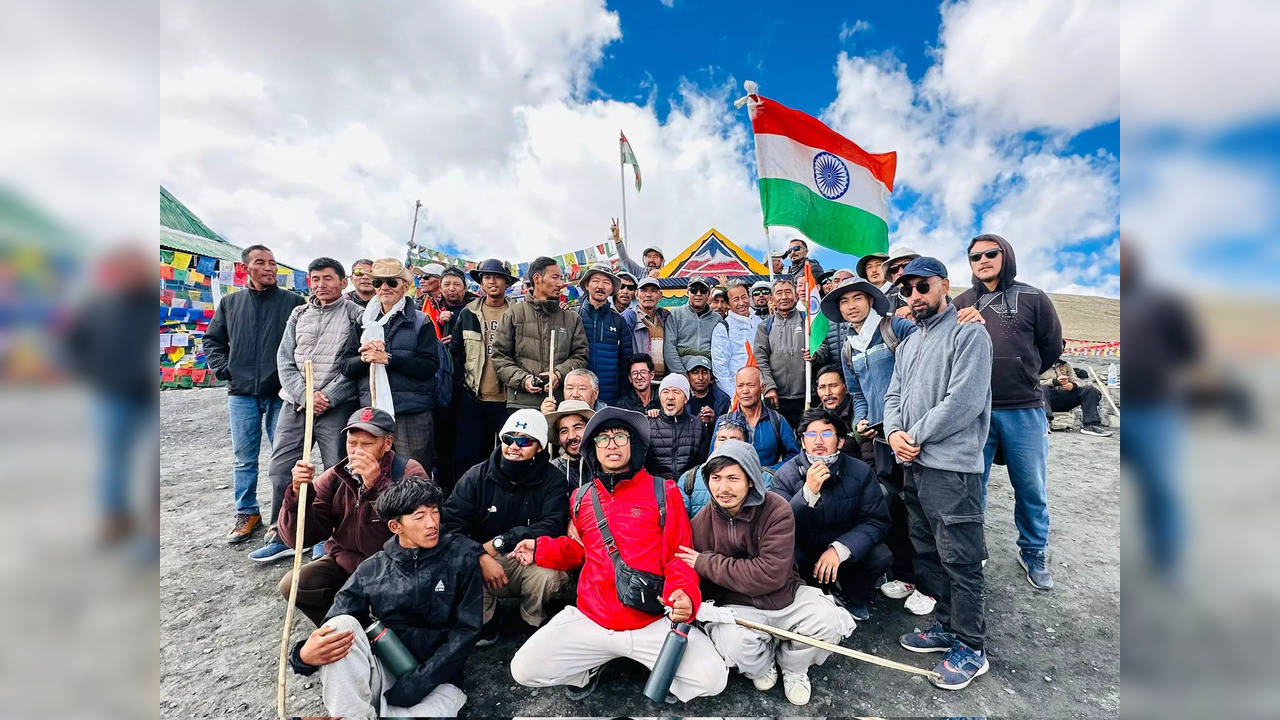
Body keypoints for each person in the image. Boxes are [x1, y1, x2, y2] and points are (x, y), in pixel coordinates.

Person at [508, 408, 728, 702]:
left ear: (634, 445)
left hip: (650, 618)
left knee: (713, 678)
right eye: (602, 438)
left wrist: (685, 594)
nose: (611, 444)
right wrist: (540, 549)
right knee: (523, 669)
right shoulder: (581, 497)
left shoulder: (666, 491)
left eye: (620, 436)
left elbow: (680, 556)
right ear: (592, 449)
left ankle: (657, 667)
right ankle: (588, 667)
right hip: (592, 618)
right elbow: (578, 552)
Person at [883, 256, 993, 691]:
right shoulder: (909, 343)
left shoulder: (970, 333)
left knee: (962, 559)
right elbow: (894, 394)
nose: (914, 297)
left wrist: (913, 434)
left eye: (922, 287)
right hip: (915, 466)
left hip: (952, 469)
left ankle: (972, 645)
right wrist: (893, 433)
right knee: (929, 552)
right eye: (907, 291)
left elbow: (963, 401)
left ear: (944, 285)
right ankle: (947, 626)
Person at [288, 476, 480, 718]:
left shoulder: (461, 557)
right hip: (385, 670)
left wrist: (418, 682)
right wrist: (303, 655)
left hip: (438, 678)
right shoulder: (373, 568)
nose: (432, 523)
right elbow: (336, 620)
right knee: (340, 627)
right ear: (395, 527)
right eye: (419, 517)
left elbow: (467, 630)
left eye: (435, 512)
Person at [681, 439, 854, 706]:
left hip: (786, 597)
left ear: (750, 479)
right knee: (732, 642)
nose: (723, 488)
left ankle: (794, 666)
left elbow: (769, 574)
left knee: (827, 621)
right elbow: (684, 568)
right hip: (739, 606)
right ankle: (762, 666)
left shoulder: (776, 509)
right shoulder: (701, 522)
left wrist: (707, 562)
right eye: (715, 478)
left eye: (733, 478)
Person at [954, 234, 1063, 591]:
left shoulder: (1034, 297)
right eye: (974, 256)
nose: (982, 260)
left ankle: (1033, 550)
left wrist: (1022, 371)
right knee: (974, 486)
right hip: (975, 410)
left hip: (1024, 407)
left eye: (990, 253)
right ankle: (975, 551)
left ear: (1006, 255)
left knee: (1031, 486)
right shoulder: (962, 302)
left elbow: (1049, 347)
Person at [820, 277, 930, 615]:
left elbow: (927, 365)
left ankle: (931, 585)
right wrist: (859, 422)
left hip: (912, 433)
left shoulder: (896, 327)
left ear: (870, 300)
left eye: (857, 298)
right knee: (893, 507)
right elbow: (857, 394)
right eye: (843, 302)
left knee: (921, 508)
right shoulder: (848, 347)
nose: (851, 305)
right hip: (881, 439)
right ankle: (907, 575)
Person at [253, 257, 364, 563]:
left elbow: (355, 366)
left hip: (334, 405)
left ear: (343, 282)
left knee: (336, 471)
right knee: (281, 469)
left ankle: (328, 536)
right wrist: (305, 394)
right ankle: (283, 533)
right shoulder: (298, 313)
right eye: (315, 279)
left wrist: (327, 396)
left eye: (328, 278)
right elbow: (284, 359)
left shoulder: (357, 314)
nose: (320, 285)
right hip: (296, 403)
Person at [276, 407, 426, 625]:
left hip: (394, 566)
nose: (357, 452)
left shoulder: (408, 471)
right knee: (295, 583)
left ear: (387, 443)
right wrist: (298, 495)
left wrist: (378, 485)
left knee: (403, 612)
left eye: (367, 444)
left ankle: (385, 636)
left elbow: (420, 530)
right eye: (352, 443)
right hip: (346, 563)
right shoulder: (335, 476)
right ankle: (347, 628)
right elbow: (297, 539)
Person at [204, 244, 305, 543]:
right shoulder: (230, 303)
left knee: (284, 458)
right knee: (244, 459)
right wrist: (225, 368)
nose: (270, 268)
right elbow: (212, 340)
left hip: (281, 393)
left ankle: (283, 517)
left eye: (273, 262)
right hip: (242, 393)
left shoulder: (293, 302)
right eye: (261, 262)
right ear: (245, 268)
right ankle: (247, 512)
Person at [444, 410, 569, 645]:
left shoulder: (553, 478)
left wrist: (507, 539)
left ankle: (531, 620)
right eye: (508, 439)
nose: (514, 446)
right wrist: (480, 555)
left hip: (529, 556)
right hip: (485, 555)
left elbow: (554, 523)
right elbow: (451, 524)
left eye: (524, 441)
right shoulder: (475, 476)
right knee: (460, 566)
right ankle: (489, 619)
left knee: (548, 575)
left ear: (540, 447)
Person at [66, 247, 157, 546]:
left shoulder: (152, 306)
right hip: (112, 394)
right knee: (113, 458)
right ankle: (114, 518)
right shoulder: (97, 306)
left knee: (151, 462)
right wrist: (93, 374)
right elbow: (73, 344)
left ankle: (151, 526)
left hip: (148, 396)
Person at [770, 409, 891, 621]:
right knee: (789, 556)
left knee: (880, 555)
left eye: (826, 434)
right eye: (810, 435)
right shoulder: (785, 475)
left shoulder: (860, 471)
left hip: (845, 548)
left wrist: (841, 549)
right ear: (802, 442)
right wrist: (807, 493)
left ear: (841, 441)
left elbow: (875, 520)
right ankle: (813, 595)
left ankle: (853, 596)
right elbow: (777, 528)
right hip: (806, 550)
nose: (818, 441)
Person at [339, 258, 440, 473]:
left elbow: (429, 367)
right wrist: (364, 359)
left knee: (413, 476)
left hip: (410, 412)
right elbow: (346, 366)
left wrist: (388, 358)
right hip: (372, 412)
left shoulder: (421, 321)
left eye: (391, 282)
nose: (384, 288)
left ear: (405, 286)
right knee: (371, 473)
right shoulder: (364, 322)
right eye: (378, 283)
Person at [492, 256, 588, 411]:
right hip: (521, 403)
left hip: (559, 403)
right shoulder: (513, 314)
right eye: (555, 277)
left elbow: (581, 355)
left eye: (561, 278)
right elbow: (499, 357)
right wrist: (524, 380)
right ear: (537, 279)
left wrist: (558, 374)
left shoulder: (571, 318)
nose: (560, 283)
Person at [451, 259, 515, 482]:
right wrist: (461, 388)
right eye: (487, 277)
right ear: (481, 283)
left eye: (497, 277)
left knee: (509, 457)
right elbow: (456, 354)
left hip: (509, 399)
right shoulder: (468, 313)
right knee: (468, 457)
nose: (492, 281)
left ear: (507, 283)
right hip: (474, 397)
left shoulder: (518, 313)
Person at [677, 415, 773, 517]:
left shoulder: (765, 479)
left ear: (746, 444)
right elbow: (679, 521)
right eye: (722, 439)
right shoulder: (689, 478)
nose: (727, 444)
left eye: (733, 439)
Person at [754, 277, 807, 429]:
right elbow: (760, 358)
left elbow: (822, 347)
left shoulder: (807, 321)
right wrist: (769, 386)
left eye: (788, 292)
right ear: (772, 298)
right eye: (779, 293)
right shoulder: (765, 326)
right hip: (777, 397)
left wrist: (815, 355)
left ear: (796, 296)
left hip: (806, 395)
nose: (784, 297)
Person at [725, 366, 800, 471]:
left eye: (750, 385)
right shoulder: (725, 421)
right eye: (740, 386)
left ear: (762, 387)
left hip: (767, 483)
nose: (745, 391)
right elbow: (713, 457)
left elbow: (794, 456)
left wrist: (769, 471)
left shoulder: (777, 421)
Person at [577, 265, 631, 406]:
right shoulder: (574, 316)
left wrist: (624, 395)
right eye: (595, 281)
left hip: (610, 395)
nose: (600, 286)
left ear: (612, 289)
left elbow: (626, 361)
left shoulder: (619, 320)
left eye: (606, 283)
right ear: (587, 285)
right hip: (579, 394)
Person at [644, 374, 711, 481]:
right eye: (665, 392)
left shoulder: (698, 425)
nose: (670, 396)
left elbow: (703, 464)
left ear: (686, 398)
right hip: (656, 490)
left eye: (676, 392)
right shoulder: (648, 424)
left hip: (688, 489)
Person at [711, 279, 763, 398]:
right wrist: (735, 394)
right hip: (735, 393)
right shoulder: (723, 328)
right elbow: (720, 368)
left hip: (760, 390)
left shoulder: (760, 323)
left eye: (744, 297)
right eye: (735, 299)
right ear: (728, 304)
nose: (741, 303)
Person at [662, 277, 721, 375]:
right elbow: (669, 347)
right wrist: (681, 374)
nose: (698, 294)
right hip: (681, 370)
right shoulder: (675, 314)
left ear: (708, 294)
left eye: (702, 290)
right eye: (694, 290)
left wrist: (713, 375)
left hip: (708, 372)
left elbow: (720, 351)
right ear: (687, 292)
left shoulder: (717, 319)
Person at [1042, 360, 1112, 437]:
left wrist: (1073, 385)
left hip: (1063, 398)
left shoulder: (1065, 364)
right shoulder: (1037, 362)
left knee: (1090, 390)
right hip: (1044, 400)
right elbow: (1032, 383)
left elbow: (1077, 381)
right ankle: (1045, 422)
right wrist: (1054, 382)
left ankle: (1090, 425)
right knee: (1042, 389)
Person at [622, 276, 670, 380]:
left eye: (653, 291)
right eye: (643, 290)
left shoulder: (665, 317)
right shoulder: (629, 317)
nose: (648, 295)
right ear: (636, 294)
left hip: (662, 380)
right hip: (639, 380)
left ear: (660, 295)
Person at [544, 398, 595, 491]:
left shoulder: (605, 464)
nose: (571, 436)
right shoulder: (553, 471)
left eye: (578, 427)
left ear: (591, 429)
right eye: (564, 431)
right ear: (558, 438)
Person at [812, 365, 861, 459]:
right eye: (822, 387)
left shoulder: (859, 413)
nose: (827, 393)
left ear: (846, 388)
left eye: (833, 386)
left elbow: (869, 455)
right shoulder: (814, 419)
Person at [684, 356, 730, 424]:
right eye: (695, 373)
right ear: (688, 376)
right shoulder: (682, 398)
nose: (700, 377)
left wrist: (715, 420)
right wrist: (696, 422)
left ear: (710, 375)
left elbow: (728, 427)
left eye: (704, 372)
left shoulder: (722, 399)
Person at [540, 368, 606, 413]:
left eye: (582, 388)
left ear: (595, 393)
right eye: (569, 388)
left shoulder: (607, 417)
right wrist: (548, 418)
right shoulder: (557, 413)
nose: (575, 395)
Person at [883, 245, 920, 317]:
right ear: (891, 276)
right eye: (894, 268)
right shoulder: (886, 305)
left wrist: (915, 310)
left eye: (906, 265)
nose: (900, 272)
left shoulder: (936, 291)